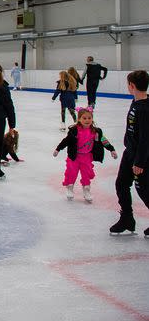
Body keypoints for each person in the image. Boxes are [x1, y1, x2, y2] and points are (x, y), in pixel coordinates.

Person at [110, 70, 149, 236]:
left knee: (145, 190)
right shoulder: (136, 103)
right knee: (121, 184)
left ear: (131, 85)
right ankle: (127, 218)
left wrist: (139, 162)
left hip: (141, 157)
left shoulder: (145, 109)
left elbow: (146, 139)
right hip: (130, 153)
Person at [53, 106, 117, 203]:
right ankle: (70, 187)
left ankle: (86, 190)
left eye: (89, 118)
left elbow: (104, 141)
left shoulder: (95, 131)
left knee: (86, 173)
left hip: (87, 157)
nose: (87, 120)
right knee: (71, 172)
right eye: (84, 118)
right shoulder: (74, 131)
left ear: (92, 119)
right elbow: (66, 141)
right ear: (79, 119)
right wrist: (58, 149)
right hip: (74, 157)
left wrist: (111, 149)